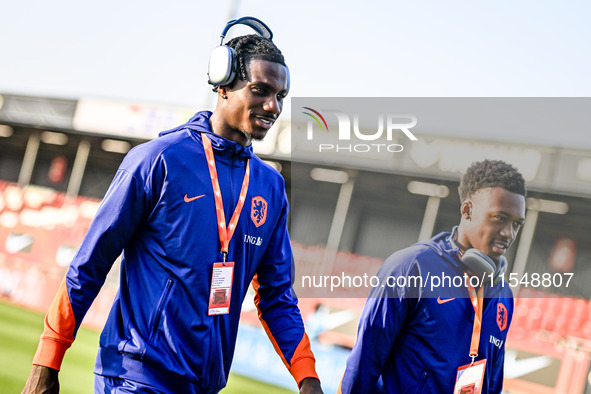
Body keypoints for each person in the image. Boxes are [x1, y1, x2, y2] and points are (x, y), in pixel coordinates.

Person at [23, 19, 322, 394]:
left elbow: (277, 297)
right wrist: (47, 362)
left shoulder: (271, 187)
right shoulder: (157, 160)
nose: (272, 105)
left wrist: (308, 380)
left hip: (203, 385)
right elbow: (91, 262)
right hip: (136, 376)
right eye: (261, 90)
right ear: (223, 84)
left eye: (281, 95)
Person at [339, 159, 526, 393]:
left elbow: (493, 383)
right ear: (467, 210)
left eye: (517, 224)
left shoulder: (503, 294)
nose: (508, 233)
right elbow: (364, 366)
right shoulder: (411, 267)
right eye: (499, 218)